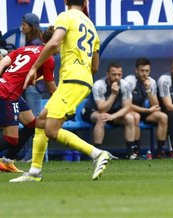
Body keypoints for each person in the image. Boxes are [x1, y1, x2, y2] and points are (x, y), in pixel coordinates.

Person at [10, 0, 113, 182]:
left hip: (72, 79)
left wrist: (34, 68)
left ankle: (97, 153)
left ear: (66, 2)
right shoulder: (91, 26)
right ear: (84, 3)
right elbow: (95, 66)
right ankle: (34, 172)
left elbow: (53, 44)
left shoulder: (66, 17)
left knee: (51, 129)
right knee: (41, 120)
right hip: (82, 79)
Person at [0, 27, 56, 172]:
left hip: (8, 90)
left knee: (32, 124)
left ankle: (7, 162)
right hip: (7, 93)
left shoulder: (26, 48)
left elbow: (2, 63)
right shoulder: (48, 58)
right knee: (11, 138)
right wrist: (67, 105)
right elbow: (51, 89)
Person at [81, 62, 136, 159]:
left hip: (112, 112)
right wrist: (114, 94)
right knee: (101, 118)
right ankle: (97, 154)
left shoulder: (125, 85)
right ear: (107, 74)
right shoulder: (99, 85)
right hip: (91, 110)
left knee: (130, 118)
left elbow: (127, 107)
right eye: (114, 75)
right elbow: (102, 109)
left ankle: (130, 153)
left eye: (119, 75)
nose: (117, 78)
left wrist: (113, 117)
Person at [124, 58, 168, 159]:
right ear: (136, 70)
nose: (144, 74)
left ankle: (161, 151)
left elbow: (156, 105)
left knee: (163, 117)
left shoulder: (151, 82)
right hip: (130, 111)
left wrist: (148, 90)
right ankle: (136, 150)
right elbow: (127, 105)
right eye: (142, 71)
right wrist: (147, 110)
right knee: (136, 116)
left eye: (147, 71)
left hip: (145, 111)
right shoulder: (129, 81)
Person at [20, 13, 47, 162]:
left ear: (32, 27)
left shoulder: (36, 44)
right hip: (33, 85)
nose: (22, 27)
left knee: (35, 123)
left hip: (34, 86)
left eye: (24, 24)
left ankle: (35, 156)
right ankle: (33, 155)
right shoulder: (33, 42)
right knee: (34, 122)